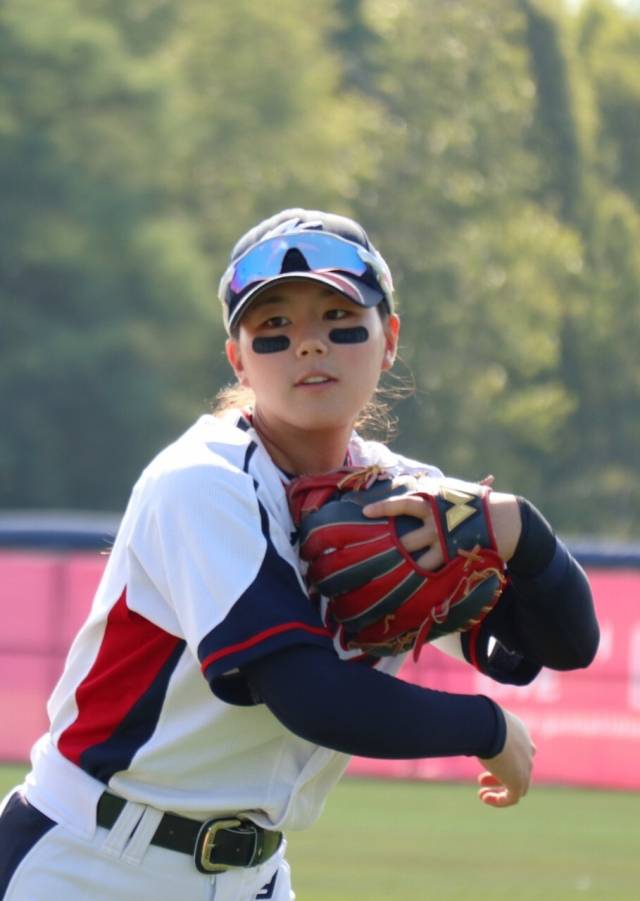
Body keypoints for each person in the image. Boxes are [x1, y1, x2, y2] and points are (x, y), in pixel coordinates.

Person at [0, 208, 599, 900]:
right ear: (238, 358)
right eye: (274, 326)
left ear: (389, 339)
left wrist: (523, 529)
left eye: (338, 316)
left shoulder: (402, 497)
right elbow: (307, 693)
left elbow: (559, 644)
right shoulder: (202, 480)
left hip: (254, 875)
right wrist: (484, 727)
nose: (308, 344)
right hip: (90, 861)